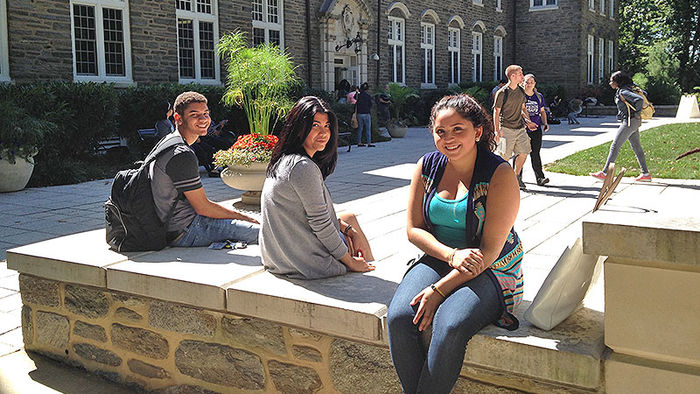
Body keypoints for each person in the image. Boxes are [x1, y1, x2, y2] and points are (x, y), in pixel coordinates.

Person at [387, 94, 523, 394]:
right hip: (441, 256)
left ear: (477, 131)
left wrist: (438, 291)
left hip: (492, 267)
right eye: (440, 131)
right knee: (399, 317)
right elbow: (414, 230)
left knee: (449, 325)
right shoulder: (427, 166)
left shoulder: (499, 174)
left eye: (458, 129)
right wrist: (450, 256)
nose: (448, 139)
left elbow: (488, 252)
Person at [260, 96, 376, 279]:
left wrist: (346, 230)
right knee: (353, 232)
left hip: (278, 257)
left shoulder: (284, 160)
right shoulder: (302, 167)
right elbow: (321, 224)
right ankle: (369, 268)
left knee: (349, 220)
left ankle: (368, 264)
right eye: (315, 125)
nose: (323, 133)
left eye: (327, 126)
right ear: (299, 129)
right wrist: (351, 262)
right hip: (305, 263)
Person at [151, 91, 260, 247]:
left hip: (173, 226)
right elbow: (203, 208)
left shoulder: (170, 142)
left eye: (206, 113)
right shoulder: (182, 155)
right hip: (185, 231)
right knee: (261, 232)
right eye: (194, 114)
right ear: (178, 118)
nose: (203, 119)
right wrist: (243, 217)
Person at [590, 71, 652, 182]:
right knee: (636, 147)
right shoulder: (629, 88)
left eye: (611, 81)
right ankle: (646, 174)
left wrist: (637, 114)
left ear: (618, 81)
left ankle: (605, 173)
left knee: (615, 145)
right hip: (633, 121)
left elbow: (640, 99)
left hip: (629, 121)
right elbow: (644, 93)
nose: (610, 83)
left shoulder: (623, 91)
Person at [492, 65, 537, 190]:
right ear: (513, 76)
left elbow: (523, 109)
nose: (522, 76)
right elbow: (496, 111)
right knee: (504, 157)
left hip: (520, 128)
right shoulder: (502, 93)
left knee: (524, 152)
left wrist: (528, 121)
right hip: (505, 129)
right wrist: (496, 130)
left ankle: (515, 176)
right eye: (520, 74)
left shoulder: (521, 91)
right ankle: (498, 180)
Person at [522, 74, 550, 186]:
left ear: (535, 83)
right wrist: (528, 123)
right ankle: (517, 177)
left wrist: (545, 123)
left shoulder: (539, 96)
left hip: (536, 129)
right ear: (523, 83)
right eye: (527, 82)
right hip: (523, 129)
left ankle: (540, 178)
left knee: (535, 153)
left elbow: (542, 111)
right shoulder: (520, 96)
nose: (529, 84)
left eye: (531, 82)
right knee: (521, 154)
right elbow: (520, 111)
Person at [355, 82, 374, 147]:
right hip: (366, 113)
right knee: (368, 129)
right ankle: (369, 142)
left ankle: (359, 142)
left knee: (360, 128)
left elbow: (355, 99)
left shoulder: (358, 95)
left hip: (359, 113)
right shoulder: (368, 96)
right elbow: (370, 104)